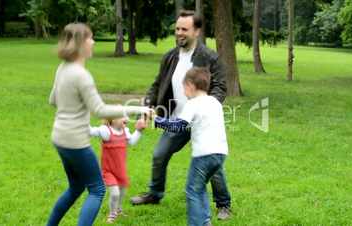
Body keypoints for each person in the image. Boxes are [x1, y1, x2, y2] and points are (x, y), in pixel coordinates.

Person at [130, 10, 231, 220]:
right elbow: (158, 84)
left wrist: (206, 108)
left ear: (197, 31)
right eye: (177, 29)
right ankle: (155, 193)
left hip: (201, 122)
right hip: (177, 119)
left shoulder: (210, 57)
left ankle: (223, 205)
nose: (179, 33)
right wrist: (148, 105)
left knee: (211, 164)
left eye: (184, 29)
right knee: (159, 154)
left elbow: (220, 87)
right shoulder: (170, 57)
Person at [47, 23, 151, 226]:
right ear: (80, 43)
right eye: (90, 38)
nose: (93, 42)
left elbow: (53, 99)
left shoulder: (62, 68)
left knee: (76, 187)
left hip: (59, 139)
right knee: (97, 189)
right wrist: (136, 110)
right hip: (76, 142)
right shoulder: (81, 75)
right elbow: (100, 111)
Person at [154, 67, 228, 226]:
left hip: (203, 155)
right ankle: (205, 221)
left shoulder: (193, 104)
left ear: (190, 85)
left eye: (183, 87)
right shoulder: (215, 102)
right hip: (220, 154)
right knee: (199, 187)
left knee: (192, 191)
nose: (183, 92)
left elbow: (178, 127)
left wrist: (157, 120)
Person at [90, 117, 147, 223]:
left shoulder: (125, 131)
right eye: (122, 116)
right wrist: (81, 123)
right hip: (108, 170)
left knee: (122, 193)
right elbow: (92, 131)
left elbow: (132, 142)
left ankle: (119, 209)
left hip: (121, 170)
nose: (126, 119)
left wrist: (139, 130)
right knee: (115, 193)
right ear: (113, 120)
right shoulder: (106, 131)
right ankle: (112, 214)